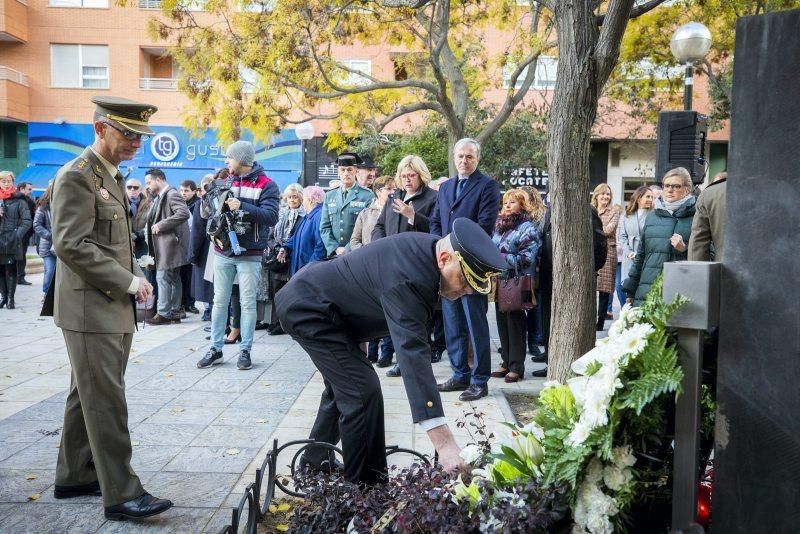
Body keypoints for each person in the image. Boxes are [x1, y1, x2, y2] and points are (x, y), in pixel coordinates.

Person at [275, 217, 506, 484]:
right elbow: (412, 355)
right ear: (445, 259)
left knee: (345, 387)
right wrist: (444, 444)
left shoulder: (428, 253)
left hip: (332, 308)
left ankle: (315, 462)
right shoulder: (410, 280)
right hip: (309, 307)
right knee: (362, 392)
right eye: (465, 282)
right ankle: (365, 491)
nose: (465, 291)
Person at [44, 96, 171, 520]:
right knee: (106, 401)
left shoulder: (109, 175)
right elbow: (71, 244)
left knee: (88, 394)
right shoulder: (77, 176)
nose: (136, 142)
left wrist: (136, 274)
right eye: (128, 133)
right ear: (100, 129)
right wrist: (128, 281)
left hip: (107, 303)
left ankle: (75, 474)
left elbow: (116, 242)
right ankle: (121, 494)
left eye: (140, 135)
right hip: (89, 308)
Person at [196, 140, 280, 371]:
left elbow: (271, 216)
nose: (226, 162)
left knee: (248, 304)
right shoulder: (226, 180)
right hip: (222, 250)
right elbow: (211, 214)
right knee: (219, 302)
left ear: (241, 159)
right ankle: (215, 348)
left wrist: (241, 205)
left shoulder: (267, 185)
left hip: (250, 253)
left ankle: (245, 350)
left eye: (229, 158)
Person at [429, 138, 501, 402]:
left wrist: (456, 248)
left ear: (477, 159)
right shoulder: (446, 187)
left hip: (472, 265)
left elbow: (484, 226)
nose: (464, 161)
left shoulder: (488, 186)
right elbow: (437, 220)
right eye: (460, 156)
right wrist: (440, 246)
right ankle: (460, 374)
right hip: (447, 264)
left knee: (475, 324)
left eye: (469, 157)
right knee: (453, 323)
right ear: (454, 157)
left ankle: (479, 381)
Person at [373, 155, 440, 375]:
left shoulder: (433, 198)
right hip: (391, 264)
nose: (407, 179)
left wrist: (414, 216)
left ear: (421, 176)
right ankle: (402, 360)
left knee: (415, 317)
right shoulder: (394, 197)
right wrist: (379, 247)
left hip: (417, 266)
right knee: (396, 315)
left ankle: (415, 361)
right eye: (403, 176)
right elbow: (380, 226)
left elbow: (436, 230)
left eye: (411, 175)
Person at [623, 167, 696, 305]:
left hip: (680, 295)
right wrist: (631, 291)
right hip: (647, 292)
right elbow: (641, 256)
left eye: (676, 186)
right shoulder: (652, 217)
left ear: (687, 189)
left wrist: (684, 250)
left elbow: (708, 257)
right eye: (666, 185)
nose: (669, 190)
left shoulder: (697, 217)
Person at [489, 189, 541, 383]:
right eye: (506, 202)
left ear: (522, 205)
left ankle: (517, 366)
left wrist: (502, 257)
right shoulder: (499, 226)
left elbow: (528, 257)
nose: (507, 205)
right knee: (502, 322)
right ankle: (506, 362)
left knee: (515, 323)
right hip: (499, 280)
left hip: (516, 281)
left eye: (512, 202)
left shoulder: (527, 227)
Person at [144, 169, 191, 325]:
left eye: (148, 182)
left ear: (158, 180)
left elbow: (183, 213)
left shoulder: (171, 194)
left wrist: (161, 225)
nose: (147, 186)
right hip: (168, 245)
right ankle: (175, 312)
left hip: (170, 245)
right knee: (172, 278)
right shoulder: (162, 195)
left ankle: (164, 314)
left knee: (163, 277)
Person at [259, 183, 305, 336]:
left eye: (295, 197)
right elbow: (270, 235)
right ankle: (277, 322)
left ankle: (290, 324)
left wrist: (287, 249)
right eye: (290, 197)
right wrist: (278, 248)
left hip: (294, 259)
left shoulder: (304, 215)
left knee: (292, 293)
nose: (292, 200)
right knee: (276, 293)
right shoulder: (280, 213)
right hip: (278, 260)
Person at [319, 152, 374, 257]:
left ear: (356, 171)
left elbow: (367, 228)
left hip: (357, 253)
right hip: (334, 254)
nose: (346, 173)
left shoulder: (367, 196)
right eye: (342, 170)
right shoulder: (330, 195)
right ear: (338, 172)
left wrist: (347, 248)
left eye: (349, 169)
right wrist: (335, 248)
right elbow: (324, 227)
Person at [519, 186, 547, 361]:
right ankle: (519, 342)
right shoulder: (516, 215)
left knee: (534, 305)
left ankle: (534, 341)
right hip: (518, 267)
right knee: (517, 304)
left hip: (534, 266)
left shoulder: (539, 216)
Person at [0, 171, 32, 308]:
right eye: (3, 181)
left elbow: (27, 221)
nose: (6, 184)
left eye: (9, 181)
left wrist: (16, 236)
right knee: (0, 270)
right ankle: (3, 297)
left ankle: (11, 299)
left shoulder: (20, 199)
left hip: (11, 240)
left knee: (10, 269)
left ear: (13, 182)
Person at [278, 185, 326, 275]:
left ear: (311, 200)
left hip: (309, 272)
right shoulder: (308, 216)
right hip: (302, 269)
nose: (302, 203)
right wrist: (285, 247)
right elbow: (296, 237)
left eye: (304, 200)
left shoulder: (319, 216)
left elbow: (320, 245)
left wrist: (310, 267)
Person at [591, 184, 620, 331]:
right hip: (592, 250)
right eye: (602, 194)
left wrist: (593, 229)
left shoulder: (614, 211)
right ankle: (589, 318)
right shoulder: (590, 209)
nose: (605, 197)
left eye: (608, 194)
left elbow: (608, 230)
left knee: (604, 290)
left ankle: (600, 322)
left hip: (608, 251)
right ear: (596, 195)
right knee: (590, 286)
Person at [189, 173, 217, 322]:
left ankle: (210, 311)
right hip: (216, 247)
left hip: (205, 250)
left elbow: (197, 231)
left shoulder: (202, 204)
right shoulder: (219, 201)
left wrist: (192, 254)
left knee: (206, 284)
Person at [619, 185, 654, 294]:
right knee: (627, 287)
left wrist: (638, 253)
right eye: (648, 197)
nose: (651, 200)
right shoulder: (627, 214)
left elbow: (653, 237)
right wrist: (629, 252)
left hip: (645, 255)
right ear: (639, 198)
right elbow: (622, 236)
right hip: (629, 257)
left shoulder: (653, 215)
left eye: (652, 197)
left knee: (643, 288)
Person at [689, 172, 727, 262]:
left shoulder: (709, 194)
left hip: (727, 270)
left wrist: (698, 274)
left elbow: (698, 243)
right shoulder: (709, 194)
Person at [350, 175, 395, 251]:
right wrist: (365, 252)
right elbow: (354, 240)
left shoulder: (398, 212)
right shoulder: (365, 214)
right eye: (389, 189)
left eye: (395, 189)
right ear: (378, 192)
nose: (393, 192)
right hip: (368, 258)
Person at [179, 180, 200, 315]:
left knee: (191, 276)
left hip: (193, 245)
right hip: (181, 246)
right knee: (181, 276)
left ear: (194, 191)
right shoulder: (179, 204)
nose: (183, 193)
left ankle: (190, 303)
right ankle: (181, 303)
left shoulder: (197, 205)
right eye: (181, 190)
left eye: (186, 190)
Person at [34, 183, 57, 300]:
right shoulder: (43, 207)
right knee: (50, 271)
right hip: (48, 246)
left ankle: (56, 297)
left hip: (63, 245)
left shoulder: (64, 204)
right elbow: (36, 225)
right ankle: (47, 295)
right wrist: (51, 235)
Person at [14, 180, 36, 285]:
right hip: (17, 233)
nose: (31, 191)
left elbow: (32, 218)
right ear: (21, 189)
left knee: (20, 256)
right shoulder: (12, 199)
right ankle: (18, 278)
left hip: (23, 234)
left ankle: (19, 278)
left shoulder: (29, 201)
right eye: (29, 189)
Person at [126, 177, 151, 259]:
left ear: (140, 190)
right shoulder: (119, 202)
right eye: (129, 187)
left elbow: (151, 223)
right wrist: (131, 236)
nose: (132, 189)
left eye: (136, 187)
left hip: (142, 243)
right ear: (125, 189)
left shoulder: (149, 203)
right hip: (125, 243)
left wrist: (137, 236)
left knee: (142, 269)